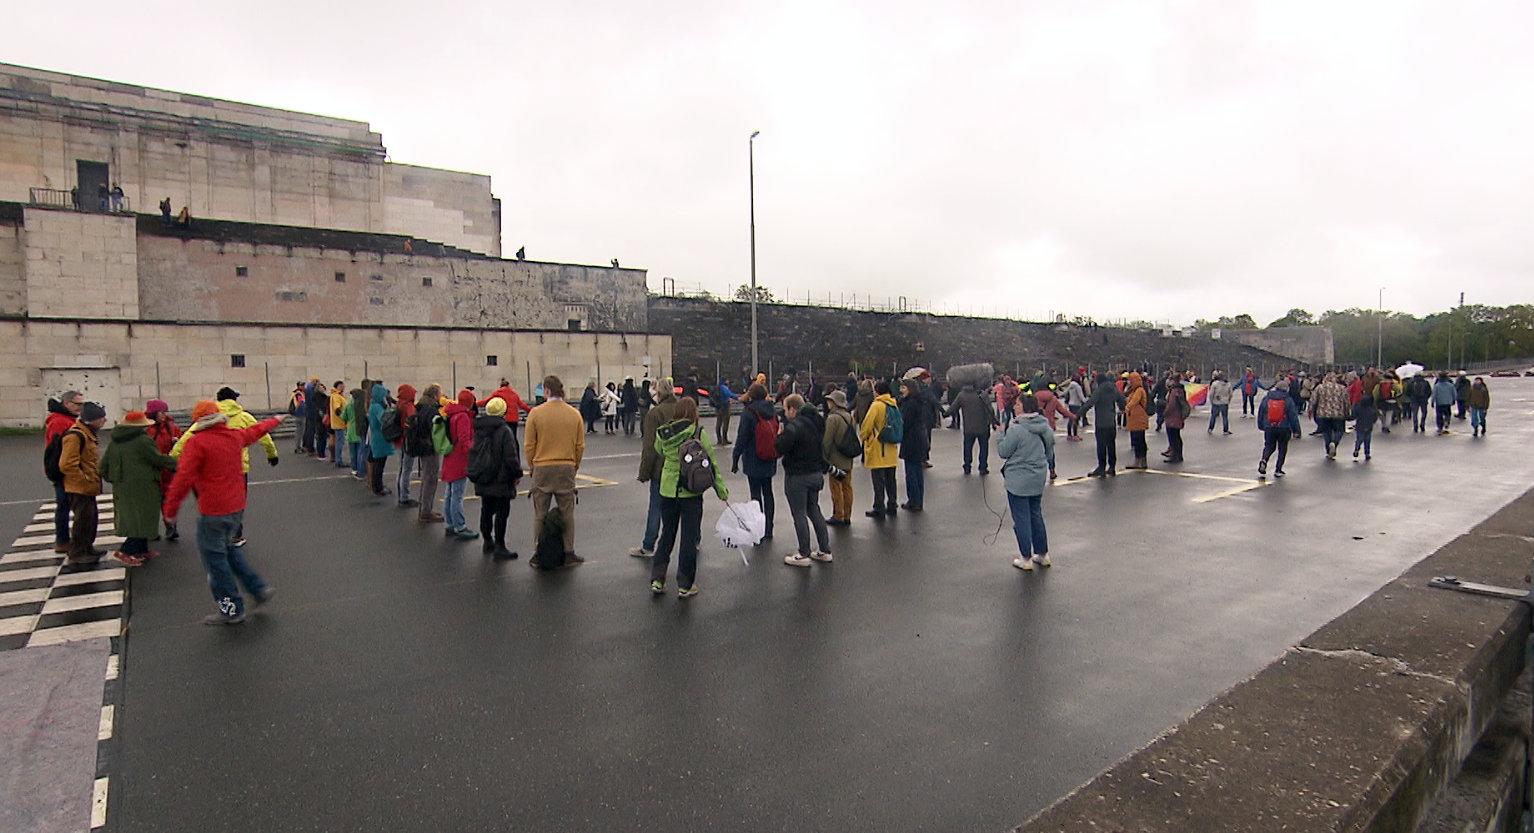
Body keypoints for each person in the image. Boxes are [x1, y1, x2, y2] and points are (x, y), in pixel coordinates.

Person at [162, 401, 285, 625]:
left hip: (213, 510)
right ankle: (258, 589)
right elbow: (254, 431)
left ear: (197, 421)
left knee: (214, 561)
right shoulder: (233, 437)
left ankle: (231, 609)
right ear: (219, 417)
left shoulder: (196, 443)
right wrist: (274, 420)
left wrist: (170, 511)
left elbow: (182, 479)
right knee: (230, 551)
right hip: (235, 507)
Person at [650, 396, 729, 596]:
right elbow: (711, 464)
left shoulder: (664, 433)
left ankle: (658, 579)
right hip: (690, 492)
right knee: (689, 537)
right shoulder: (697, 433)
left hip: (667, 491)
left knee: (667, 534)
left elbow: (658, 450)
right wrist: (721, 490)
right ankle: (685, 584)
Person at [101, 410, 177, 566]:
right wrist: (180, 464)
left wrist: (113, 478)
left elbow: (103, 466)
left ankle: (141, 549)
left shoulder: (115, 441)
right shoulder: (143, 441)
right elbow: (157, 459)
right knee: (143, 517)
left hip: (122, 485)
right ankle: (126, 551)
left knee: (133, 517)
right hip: (144, 485)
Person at [525, 375, 586, 567]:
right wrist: (574, 466)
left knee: (540, 513)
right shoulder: (574, 414)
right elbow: (580, 446)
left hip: (542, 466)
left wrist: (533, 466)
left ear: (547, 391)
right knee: (567, 512)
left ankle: (538, 553)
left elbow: (529, 445)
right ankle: (569, 553)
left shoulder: (535, 413)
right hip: (566, 465)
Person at [998, 394, 1055, 571]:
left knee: (1021, 518)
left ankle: (1025, 557)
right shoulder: (1044, 427)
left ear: (1024, 407)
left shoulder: (1016, 429)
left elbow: (1003, 452)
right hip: (1038, 476)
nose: (1015, 406)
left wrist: (1001, 433)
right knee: (1035, 514)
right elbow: (1050, 452)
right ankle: (1043, 553)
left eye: (1017, 404)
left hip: (1018, 480)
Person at [775, 394, 832, 567]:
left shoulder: (794, 427)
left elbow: (780, 448)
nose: (785, 413)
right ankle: (825, 550)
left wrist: (779, 435)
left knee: (799, 513)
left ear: (793, 409)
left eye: (786, 409)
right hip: (815, 473)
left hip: (798, 476)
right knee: (814, 510)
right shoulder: (815, 424)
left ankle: (804, 553)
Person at [630, 379, 679, 558]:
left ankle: (648, 545)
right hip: (683, 466)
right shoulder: (682, 409)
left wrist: (644, 473)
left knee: (656, 507)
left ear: (658, 393)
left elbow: (649, 447)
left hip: (661, 468)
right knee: (685, 507)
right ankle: (694, 540)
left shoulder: (655, 414)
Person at [469, 397, 523, 559]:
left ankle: (487, 540)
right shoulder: (504, 430)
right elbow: (510, 457)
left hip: (484, 475)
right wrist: (517, 474)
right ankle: (500, 545)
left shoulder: (478, 428)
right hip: (501, 478)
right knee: (501, 512)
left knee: (486, 509)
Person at [59, 402, 108, 564]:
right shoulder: (75, 436)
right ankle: (77, 552)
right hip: (79, 488)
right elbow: (66, 464)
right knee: (81, 520)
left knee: (90, 519)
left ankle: (87, 548)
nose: (104, 421)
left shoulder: (87, 434)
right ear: (91, 420)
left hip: (87, 486)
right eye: (101, 418)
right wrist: (84, 479)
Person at [733, 383, 780, 539]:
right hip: (769, 456)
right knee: (768, 492)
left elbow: (742, 438)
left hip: (753, 457)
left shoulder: (749, 412)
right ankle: (769, 528)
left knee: (755, 495)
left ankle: (758, 528)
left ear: (751, 395)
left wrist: (735, 458)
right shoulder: (772, 410)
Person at [44, 390, 84, 554]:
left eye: (81, 404)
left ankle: (66, 540)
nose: (80, 408)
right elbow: (56, 449)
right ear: (66, 403)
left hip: (64, 469)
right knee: (65, 505)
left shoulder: (66, 419)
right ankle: (63, 541)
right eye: (77, 404)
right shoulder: (61, 422)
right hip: (63, 471)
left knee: (66, 505)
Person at [440, 390, 478, 540]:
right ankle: (460, 526)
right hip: (459, 459)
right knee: (457, 495)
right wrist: (474, 450)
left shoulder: (451, 413)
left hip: (450, 456)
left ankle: (449, 523)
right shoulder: (463, 416)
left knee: (449, 493)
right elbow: (464, 441)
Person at [859, 380, 901, 517]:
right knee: (891, 479)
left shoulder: (876, 405)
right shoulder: (893, 404)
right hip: (891, 448)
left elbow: (867, 425)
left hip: (878, 448)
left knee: (878, 481)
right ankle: (892, 504)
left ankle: (879, 507)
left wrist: (864, 437)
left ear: (877, 391)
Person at [406, 385, 444, 522]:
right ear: (434, 395)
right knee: (431, 479)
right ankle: (426, 511)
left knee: (426, 478)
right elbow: (437, 429)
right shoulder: (431, 411)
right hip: (429, 448)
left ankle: (424, 508)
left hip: (421, 446)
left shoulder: (420, 407)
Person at [145, 399, 182, 541]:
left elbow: (181, 442)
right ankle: (150, 530)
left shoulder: (172, 427)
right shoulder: (146, 429)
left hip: (167, 470)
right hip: (152, 470)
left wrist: (176, 442)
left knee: (168, 500)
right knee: (152, 502)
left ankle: (171, 527)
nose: (164, 415)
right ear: (153, 413)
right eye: (162, 412)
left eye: (165, 412)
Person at [821, 389, 857, 525]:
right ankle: (847, 515)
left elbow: (827, 441)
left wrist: (824, 458)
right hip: (848, 458)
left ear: (834, 402)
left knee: (836, 487)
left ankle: (838, 515)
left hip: (836, 460)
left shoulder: (832, 418)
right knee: (847, 487)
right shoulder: (849, 416)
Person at [898, 379, 930, 510]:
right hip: (919, 439)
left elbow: (905, 423)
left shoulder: (910, 404)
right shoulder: (918, 401)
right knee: (917, 472)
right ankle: (918, 500)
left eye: (903, 388)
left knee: (911, 472)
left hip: (911, 440)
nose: (901, 390)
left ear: (910, 389)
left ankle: (914, 500)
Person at [1257, 381, 1299, 478]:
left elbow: (1261, 412)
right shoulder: (1288, 399)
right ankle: (1278, 469)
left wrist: (1261, 425)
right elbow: (1293, 416)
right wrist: (1296, 430)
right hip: (1283, 427)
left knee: (1269, 446)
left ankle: (1264, 459)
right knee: (1282, 448)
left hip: (1269, 426)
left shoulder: (1267, 398)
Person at [1086, 373, 1125, 477]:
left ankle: (1101, 468)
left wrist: (1078, 415)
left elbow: (1090, 403)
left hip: (1101, 423)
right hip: (1111, 422)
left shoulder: (1099, 390)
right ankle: (1112, 467)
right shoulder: (1113, 388)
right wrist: (1122, 408)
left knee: (1101, 446)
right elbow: (1121, 399)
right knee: (1111, 445)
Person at [954, 383, 996, 475]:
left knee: (968, 447)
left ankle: (967, 466)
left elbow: (953, 407)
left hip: (968, 428)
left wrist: (944, 413)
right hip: (983, 426)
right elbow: (990, 409)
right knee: (983, 447)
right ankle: (982, 467)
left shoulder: (962, 395)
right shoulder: (982, 394)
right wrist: (994, 422)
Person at [1311, 373, 1350, 458]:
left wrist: (1310, 410)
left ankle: (1328, 450)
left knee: (1326, 431)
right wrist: (1347, 412)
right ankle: (1334, 443)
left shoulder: (1320, 387)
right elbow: (1346, 402)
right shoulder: (1342, 388)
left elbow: (1313, 400)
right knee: (1339, 431)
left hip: (1323, 413)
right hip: (1338, 414)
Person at [391, 384, 418, 506]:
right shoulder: (408, 406)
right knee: (407, 469)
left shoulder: (398, 404)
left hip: (398, 440)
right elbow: (412, 423)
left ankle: (400, 494)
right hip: (407, 441)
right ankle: (404, 497)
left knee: (401, 469)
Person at [366, 383, 394, 496]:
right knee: (379, 465)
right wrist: (390, 410)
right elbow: (384, 420)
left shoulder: (373, 405)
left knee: (377, 462)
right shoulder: (377, 407)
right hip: (380, 438)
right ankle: (378, 487)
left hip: (376, 436)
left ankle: (376, 486)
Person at [1122, 372, 1150, 469]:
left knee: (1139, 440)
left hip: (1138, 419)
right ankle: (1141, 460)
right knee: (1139, 439)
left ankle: (1139, 460)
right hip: (1135, 419)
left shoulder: (1139, 390)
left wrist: (1127, 407)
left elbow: (1134, 401)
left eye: (1131, 380)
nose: (1129, 381)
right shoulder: (1134, 390)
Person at [1161, 381, 1188, 464]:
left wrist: (1165, 413)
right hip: (1178, 416)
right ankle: (1179, 455)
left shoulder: (1173, 392)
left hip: (1172, 417)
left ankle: (1174, 456)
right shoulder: (1180, 390)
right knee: (1177, 436)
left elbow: (1171, 405)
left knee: (1173, 438)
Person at [1351, 388, 1378, 461]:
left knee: (1359, 439)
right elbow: (1375, 418)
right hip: (1369, 427)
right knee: (1367, 441)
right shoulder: (1372, 410)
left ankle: (1357, 449)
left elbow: (1353, 416)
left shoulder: (1358, 408)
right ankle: (1367, 453)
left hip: (1360, 426)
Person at [328, 380, 349, 467]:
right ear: (338, 386)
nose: (343, 387)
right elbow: (337, 409)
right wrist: (344, 417)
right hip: (339, 423)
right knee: (340, 443)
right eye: (342, 386)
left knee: (339, 442)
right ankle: (339, 461)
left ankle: (338, 460)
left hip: (338, 423)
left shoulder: (337, 395)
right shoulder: (336, 396)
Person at [712, 377, 737, 444]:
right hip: (725, 407)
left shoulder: (717, 387)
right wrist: (739, 397)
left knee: (719, 423)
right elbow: (730, 395)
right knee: (725, 423)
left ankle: (719, 439)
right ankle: (724, 439)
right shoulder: (724, 388)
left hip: (718, 407)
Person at [1062, 375, 1086, 441]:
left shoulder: (1070, 385)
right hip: (1077, 405)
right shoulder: (1078, 386)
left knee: (1070, 420)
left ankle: (1069, 435)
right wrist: (1087, 401)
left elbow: (1065, 392)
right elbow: (1081, 397)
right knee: (1075, 420)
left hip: (1071, 404)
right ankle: (1075, 435)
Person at [287, 382, 307, 455]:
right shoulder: (299, 394)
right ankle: (298, 448)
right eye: (302, 385)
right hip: (300, 415)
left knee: (300, 432)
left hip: (298, 415)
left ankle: (299, 447)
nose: (303, 386)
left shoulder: (296, 393)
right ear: (299, 386)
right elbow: (300, 403)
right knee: (300, 432)